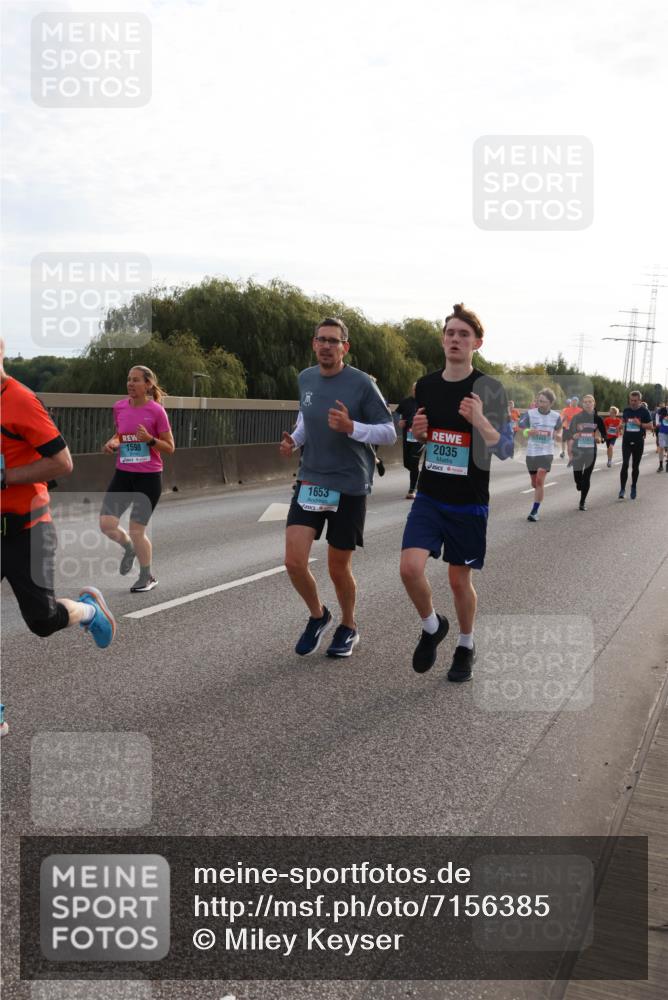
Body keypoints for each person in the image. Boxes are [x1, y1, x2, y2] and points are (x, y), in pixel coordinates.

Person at [1, 337, 115, 736]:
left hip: (27, 529)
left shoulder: (20, 400)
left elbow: (62, 463)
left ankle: (88, 610)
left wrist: (5, 477)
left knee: (42, 621)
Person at [399, 303, 513, 682]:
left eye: (463, 334)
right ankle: (433, 626)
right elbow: (426, 437)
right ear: (442, 339)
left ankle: (466, 643)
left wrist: (479, 419)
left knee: (458, 580)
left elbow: (505, 447)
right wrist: (419, 433)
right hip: (430, 494)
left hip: (468, 500)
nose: (455, 339)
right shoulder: (426, 386)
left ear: (477, 342)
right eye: (450, 333)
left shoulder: (489, 389)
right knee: (409, 568)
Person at [279, 317, 396, 658]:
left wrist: (352, 427)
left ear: (345, 347)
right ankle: (319, 615)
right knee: (293, 561)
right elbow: (306, 419)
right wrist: (294, 442)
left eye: (334, 341)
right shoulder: (306, 378)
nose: (327, 346)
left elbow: (388, 432)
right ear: (314, 344)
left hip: (349, 484)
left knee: (337, 566)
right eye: (321, 340)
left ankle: (348, 626)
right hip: (311, 478)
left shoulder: (361, 383)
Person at [99, 365, 175, 592]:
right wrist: (113, 442)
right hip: (123, 474)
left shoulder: (157, 411)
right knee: (106, 524)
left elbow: (170, 447)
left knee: (136, 529)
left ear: (148, 385)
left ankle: (146, 577)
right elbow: (120, 433)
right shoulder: (119, 406)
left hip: (148, 478)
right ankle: (130, 548)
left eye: (136, 380)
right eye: (129, 380)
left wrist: (149, 439)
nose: (131, 384)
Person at [517, 388, 561, 521]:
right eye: (539, 400)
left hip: (547, 452)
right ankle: (537, 493)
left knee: (540, 480)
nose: (540, 403)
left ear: (550, 403)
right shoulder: (529, 414)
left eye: (543, 401)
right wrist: (527, 432)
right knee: (534, 483)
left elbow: (559, 432)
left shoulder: (556, 416)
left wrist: (558, 436)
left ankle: (534, 511)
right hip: (532, 452)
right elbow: (520, 429)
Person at [569, 395, 607, 509]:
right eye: (585, 402)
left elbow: (604, 435)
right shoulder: (577, 417)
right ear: (582, 404)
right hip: (578, 450)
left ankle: (582, 502)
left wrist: (600, 439)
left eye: (590, 402)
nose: (587, 404)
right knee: (578, 477)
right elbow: (569, 432)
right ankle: (579, 484)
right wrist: (574, 435)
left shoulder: (598, 419)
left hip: (591, 451)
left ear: (594, 404)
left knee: (587, 477)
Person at [618, 390, 653, 500]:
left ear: (639, 401)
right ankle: (622, 489)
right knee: (625, 464)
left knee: (635, 466)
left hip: (638, 442)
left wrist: (640, 424)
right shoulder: (626, 410)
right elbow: (623, 421)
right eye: (631, 400)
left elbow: (651, 426)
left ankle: (633, 486)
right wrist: (621, 425)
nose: (633, 402)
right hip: (627, 441)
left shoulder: (644, 411)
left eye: (635, 401)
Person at [395, 383, 423, 499]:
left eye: (418, 389)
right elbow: (397, 413)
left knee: (414, 462)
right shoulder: (405, 402)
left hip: (420, 438)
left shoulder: (426, 402)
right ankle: (419, 476)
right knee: (407, 463)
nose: (415, 391)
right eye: (414, 389)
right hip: (408, 436)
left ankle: (412, 490)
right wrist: (399, 421)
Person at [561, 396, 582, 466]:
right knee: (569, 446)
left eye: (576, 401)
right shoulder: (566, 410)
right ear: (571, 401)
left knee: (573, 445)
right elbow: (562, 418)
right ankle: (570, 459)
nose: (574, 402)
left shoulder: (580, 410)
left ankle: (575, 457)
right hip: (567, 429)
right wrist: (559, 424)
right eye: (573, 401)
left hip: (576, 431)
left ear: (578, 402)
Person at [655, 400, 668, 471]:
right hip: (662, 431)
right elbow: (657, 415)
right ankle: (660, 465)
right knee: (661, 448)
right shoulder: (662, 410)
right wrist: (657, 423)